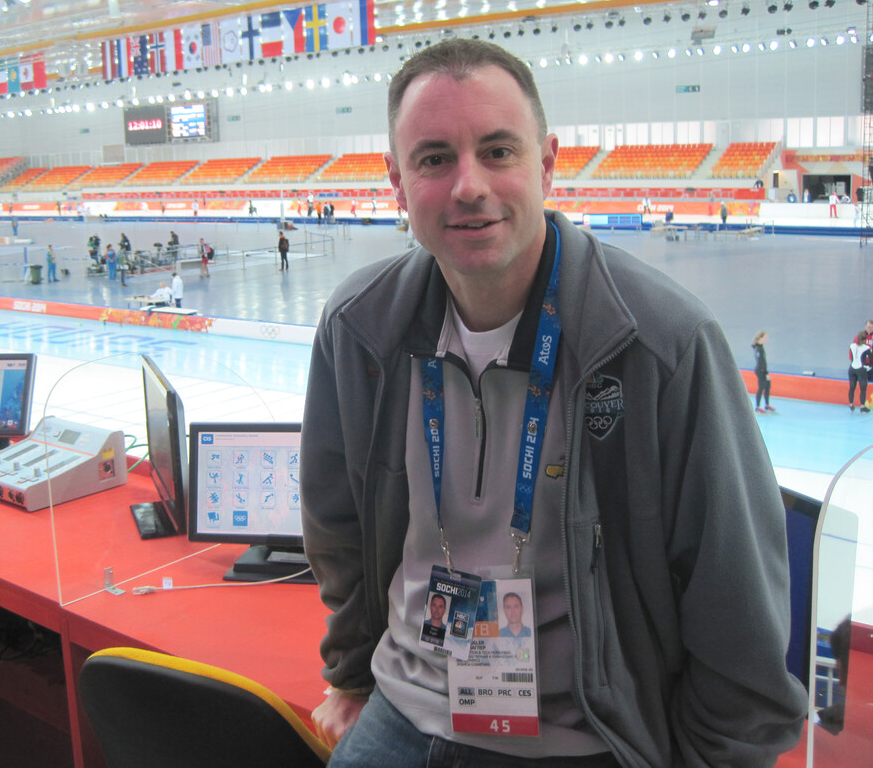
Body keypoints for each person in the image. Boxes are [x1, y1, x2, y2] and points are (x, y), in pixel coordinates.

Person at [300, 38, 805, 767]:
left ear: (548, 162)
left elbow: (736, 603)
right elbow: (334, 524)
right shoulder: (359, 328)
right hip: (404, 713)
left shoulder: (661, 344)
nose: (469, 184)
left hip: (583, 740)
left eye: (499, 151)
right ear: (396, 182)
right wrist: (350, 674)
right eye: (435, 158)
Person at [847, 323, 872, 413]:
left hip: (852, 368)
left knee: (852, 387)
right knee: (863, 388)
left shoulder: (852, 345)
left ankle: (851, 404)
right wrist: (869, 367)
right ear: (864, 340)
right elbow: (871, 359)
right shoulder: (866, 348)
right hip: (861, 369)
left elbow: (852, 357)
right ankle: (862, 406)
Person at [752, 330, 775, 414]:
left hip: (764, 370)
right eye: (765, 337)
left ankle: (767, 404)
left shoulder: (760, 347)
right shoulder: (758, 348)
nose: (766, 339)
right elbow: (761, 361)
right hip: (760, 370)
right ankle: (757, 407)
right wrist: (765, 373)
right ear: (761, 337)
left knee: (768, 386)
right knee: (761, 387)